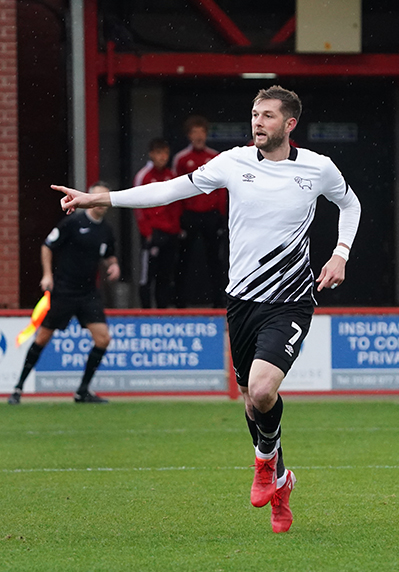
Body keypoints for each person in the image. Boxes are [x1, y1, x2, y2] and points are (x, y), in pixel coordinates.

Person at [52, 86, 361, 533]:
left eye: (268, 116)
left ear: (290, 124)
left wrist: (341, 252)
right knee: (253, 406)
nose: (258, 122)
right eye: (255, 114)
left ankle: (262, 465)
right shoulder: (233, 162)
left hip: (290, 300)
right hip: (241, 300)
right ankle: (280, 482)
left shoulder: (317, 168)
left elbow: (349, 203)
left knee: (260, 390)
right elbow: (169, 191)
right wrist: (100, 198)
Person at [8, 181, 120, 405]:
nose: (100, 203)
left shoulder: (106, 230)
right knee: (43, 337)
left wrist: (114, 264)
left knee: (103, 339)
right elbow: (47, 246)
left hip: (88, 293)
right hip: (65, 290)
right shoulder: (73, 222)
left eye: (104, 199)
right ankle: (18, 388)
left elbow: (108, 253)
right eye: (96, 197)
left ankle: (82, 391)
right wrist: (47, 275)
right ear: (90, 198)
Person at [172, 114, 228, 308]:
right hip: (189, 215)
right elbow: (175, 189)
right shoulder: (181, 159)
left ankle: (218, 301)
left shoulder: (215, 157)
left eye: (201, 133)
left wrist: (221, 216)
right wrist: (179, 218)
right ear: (189, 135)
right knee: (183, 260)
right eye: (195, 133)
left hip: (211, 215)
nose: (198, 137)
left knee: (215, 259)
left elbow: (222, 189)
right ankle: (179, 302)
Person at [133, 138, 181, 308]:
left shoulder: (171, 175)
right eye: (159, 153)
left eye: (166, 153)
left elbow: (176, 204)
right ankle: (146, 312)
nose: (163, 157)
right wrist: (147, 232)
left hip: (170, 233)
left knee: (166, 275)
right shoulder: (143, 176)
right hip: (153, 234)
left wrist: (176, 228)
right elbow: (137, 207)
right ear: (151, 154)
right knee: (147, 276)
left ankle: (163, 311)